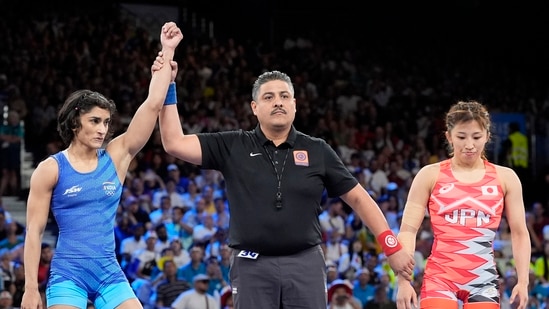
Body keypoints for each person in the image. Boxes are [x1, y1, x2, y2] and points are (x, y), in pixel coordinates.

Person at [155, 68, 414, 308]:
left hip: (306, 264)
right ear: (254, 108)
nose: (278, 101)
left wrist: (390, 247)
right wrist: (168, 85)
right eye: (268, 97)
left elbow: (359, 198)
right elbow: (174, 143)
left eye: (284, 96)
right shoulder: (233, 145)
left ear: (294, 105)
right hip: (250, 264)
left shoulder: (317, 149)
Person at [20, 22, 183, 309]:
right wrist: (31, 288)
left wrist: (167, 51)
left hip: (109, 274)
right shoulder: (51, 168)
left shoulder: (116, 156)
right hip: (68, 274)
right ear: (74, 122)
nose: (102, 129)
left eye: (106, 122)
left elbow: (152, 104)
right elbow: (33, 231)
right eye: (95, 121)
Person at [396, 101, 531, 309]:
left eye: (476, 137)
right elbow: (407, 231)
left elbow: (520, 233)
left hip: (483, 279)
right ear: (449, 136)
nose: (469, 145)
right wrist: (403, 282)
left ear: (487, 136)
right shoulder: (429, 175)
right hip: (439, 277)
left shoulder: (506, 178)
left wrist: (523, 282)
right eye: (461, 137)